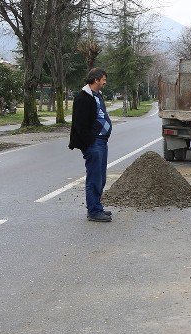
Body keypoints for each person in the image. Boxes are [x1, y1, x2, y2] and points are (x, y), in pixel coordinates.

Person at [68, 67, 113, 222]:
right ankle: (93, 211)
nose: (105, 83)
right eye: (103, 80)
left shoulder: (97, 96)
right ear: (96, 80)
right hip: (94, 143)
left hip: (102, 142)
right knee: (94, 178)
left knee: (101, 178)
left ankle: (97, 206)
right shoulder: (82, 98)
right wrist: (90, 142)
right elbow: (79, 124)